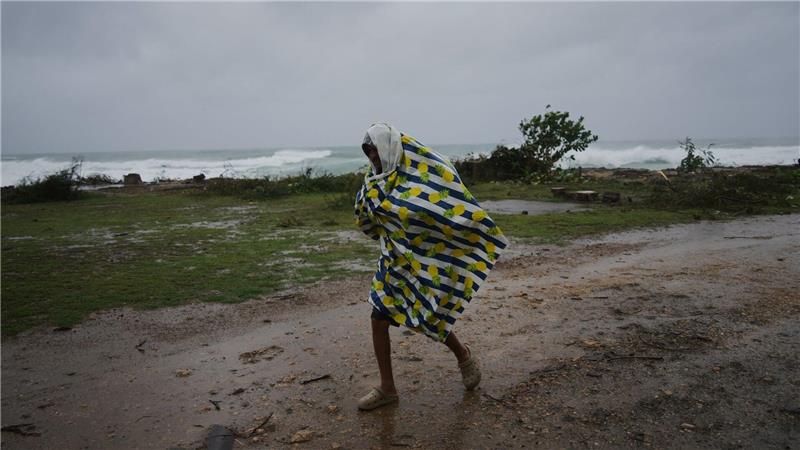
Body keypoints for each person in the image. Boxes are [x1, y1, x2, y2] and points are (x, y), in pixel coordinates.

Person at [354, 123, 509, 410]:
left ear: (388, 146)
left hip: (422, 261)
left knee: (429, 315)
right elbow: (367, 219)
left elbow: (442, 207)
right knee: (378, 317)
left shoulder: (420, 178)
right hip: (392, 262)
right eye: (368, 151)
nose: (372, 155)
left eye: (375, 148)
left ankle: (463, 355)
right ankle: (387, 388)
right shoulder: (372, 182)